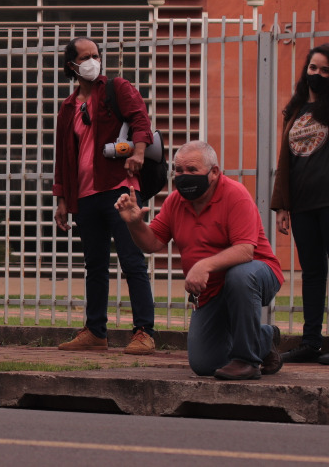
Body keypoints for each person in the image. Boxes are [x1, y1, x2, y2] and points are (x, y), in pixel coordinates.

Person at [115, 141, 284, 380]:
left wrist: (203, 265)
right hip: (211, 290)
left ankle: (247, 361)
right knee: (205, 365)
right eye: (179, 171)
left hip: (258, 274)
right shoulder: (175, 202)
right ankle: (263, 337)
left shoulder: (235, 195)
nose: (184, 176)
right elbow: (152, 244)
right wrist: (134, 224)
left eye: (192, 170)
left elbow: (246, 250)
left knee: (240, 275)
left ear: (214, 172)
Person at [51, 37, 157, 355]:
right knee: (94, 265)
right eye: (85, 57)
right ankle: (96, 331)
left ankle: (144, 331)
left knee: (131, 259)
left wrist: (138, 152)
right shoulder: (68, 108)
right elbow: (63, 157)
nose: (93, 61)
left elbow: (140, 119)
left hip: (120, 189)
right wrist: (61, 199)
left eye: (96, 55)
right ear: (71, 66)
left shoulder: (117, 88)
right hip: (85, 196)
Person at [272, 43, 329, 363]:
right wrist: (283, 206)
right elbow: (285, 162)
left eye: (325, 70)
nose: (317, 74)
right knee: (312, 272)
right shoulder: (294, 110)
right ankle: (310, 342)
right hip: (304, 204)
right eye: (313, 68)